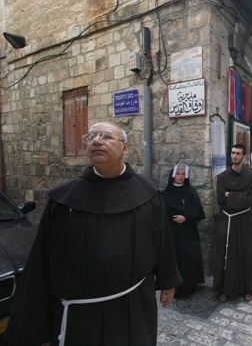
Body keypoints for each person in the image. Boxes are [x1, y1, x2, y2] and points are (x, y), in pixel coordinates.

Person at [2, 121, 182, 346]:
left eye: (106, 136)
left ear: (125, 148)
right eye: (90, 137)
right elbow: (41, 265)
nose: (96, 140)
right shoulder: (63, 201)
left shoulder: (148, 192)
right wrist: (39, 328)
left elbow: (162, 239)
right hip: (81, 316)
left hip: (134, 306)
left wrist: (168, 280)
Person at [214, 144, 252, 302]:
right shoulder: (222, 177)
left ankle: (247, 288)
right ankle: (223, 289)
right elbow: (220, 200)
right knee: (225, 255)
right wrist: (239, 196)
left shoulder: (250, 177)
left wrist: (230, 195)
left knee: (246, 253)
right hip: (227, 219)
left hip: (244, 220)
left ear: (244, 156)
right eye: (233, 153)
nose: (235, 156)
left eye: (238, 153)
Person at [161, 164, 206, 297]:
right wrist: (174, 218)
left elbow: (197, 209)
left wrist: (185, 217)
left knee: (188, 258)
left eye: (182, 174)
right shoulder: (166, 193)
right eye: (178, 174)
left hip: (188, 231)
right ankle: (174, 287)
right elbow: (163, 212)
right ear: (173, 175)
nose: (180, 177)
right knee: (175, 258)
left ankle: (189, 286)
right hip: (173, 231)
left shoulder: (191, 191)